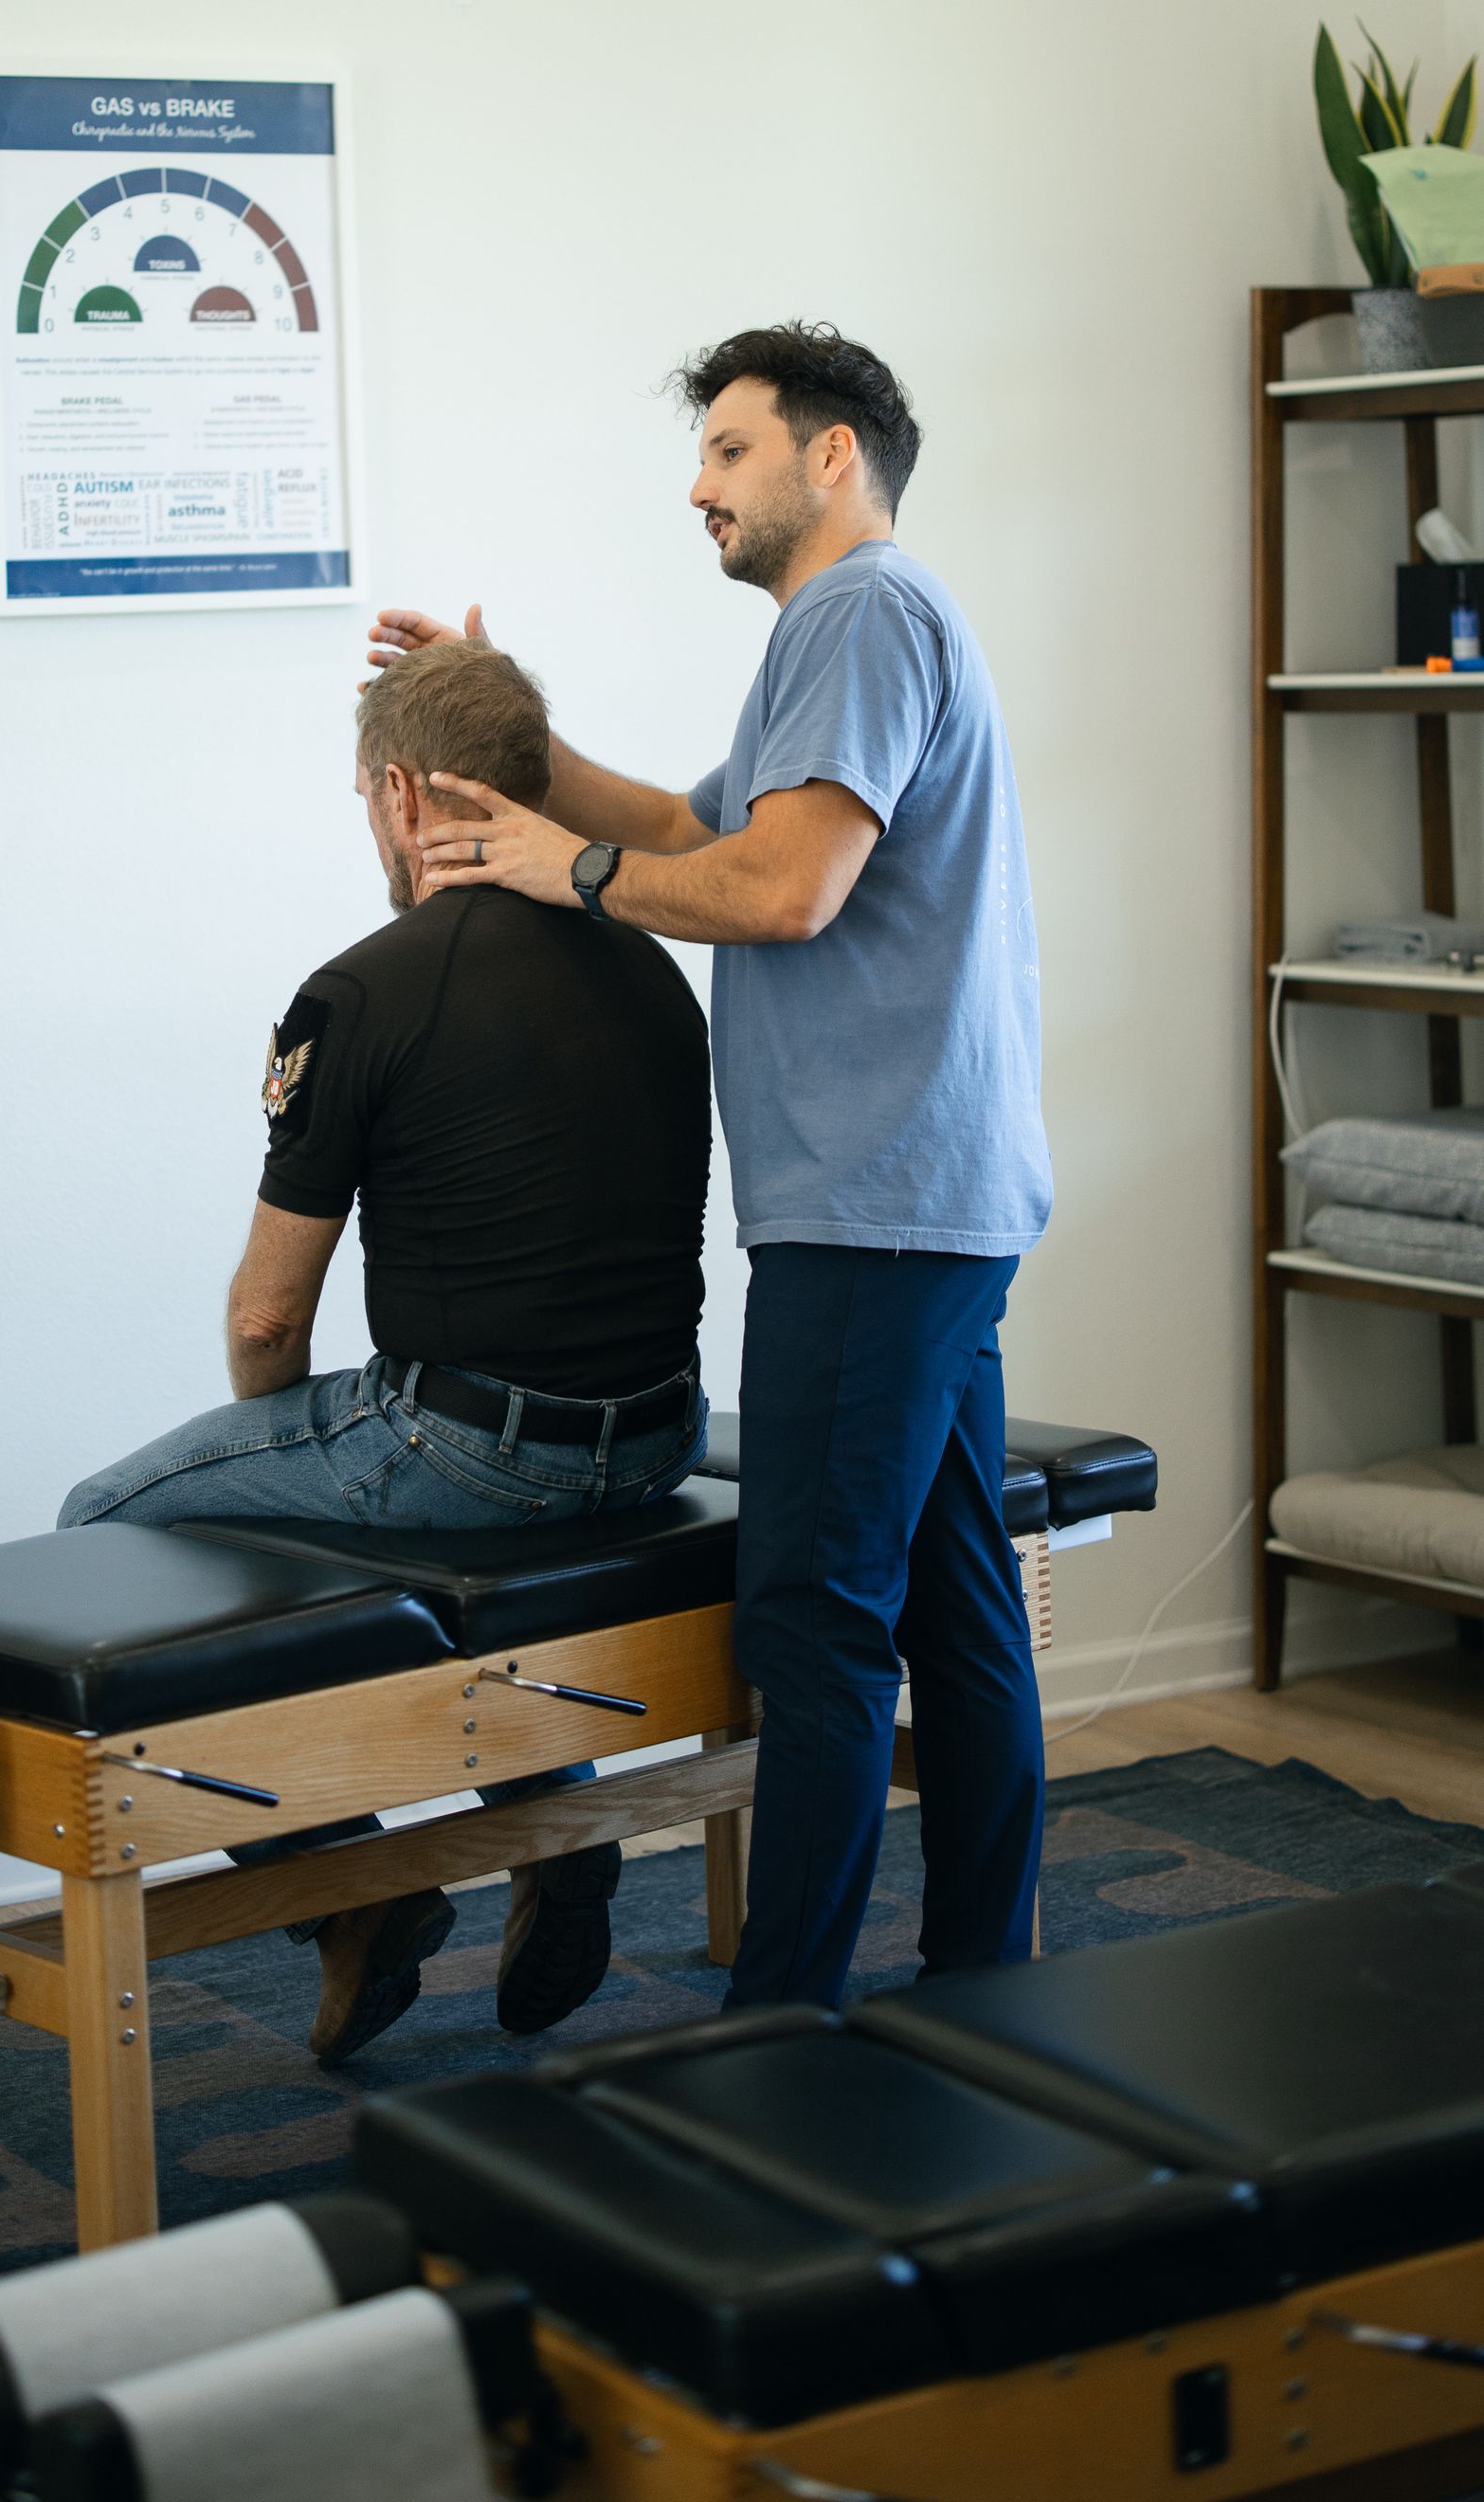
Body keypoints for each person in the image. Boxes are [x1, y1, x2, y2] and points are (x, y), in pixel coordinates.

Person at [369, 320, 1052, 2010]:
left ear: (833, 455)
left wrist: (570, 870)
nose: (700, 486)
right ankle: (989, 1983)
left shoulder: (861, 611)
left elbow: (785, 890)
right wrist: (514, 736)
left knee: (813, 1622)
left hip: (874, 1208)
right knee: (960, 1610)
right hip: (927, 1197)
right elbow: (699, 833)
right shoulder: (854, 631)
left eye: (730, 450)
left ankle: (782, 2026)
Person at [59, 639, 713, 2059]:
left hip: (470, 1451)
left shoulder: (359, 991)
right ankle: (554, 1821)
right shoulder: (654, 962)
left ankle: (354, 1894)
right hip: (664, 1434)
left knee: (101, 1522)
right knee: (371, 1506)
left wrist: (290, 1465)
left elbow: (266, 1321)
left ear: (405, 795)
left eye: (366, 797)